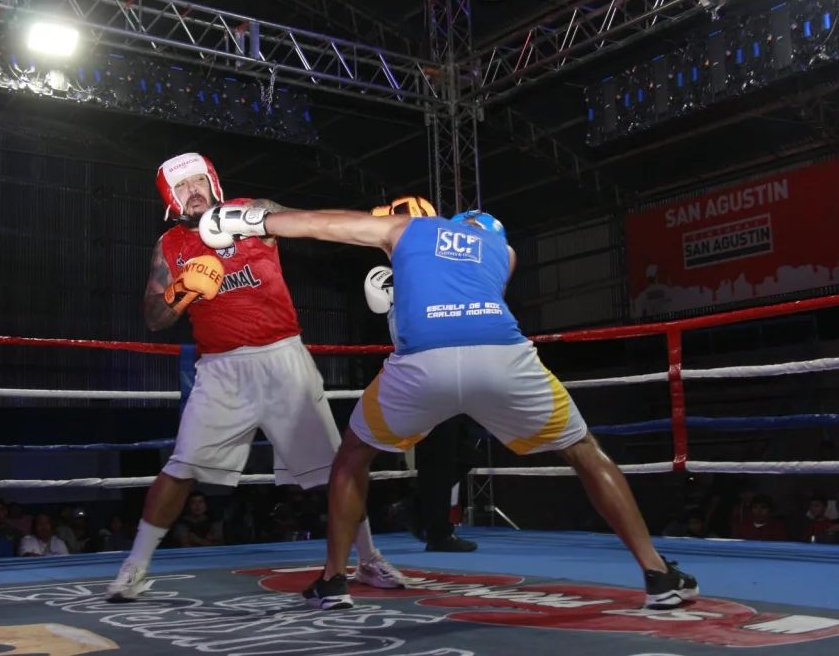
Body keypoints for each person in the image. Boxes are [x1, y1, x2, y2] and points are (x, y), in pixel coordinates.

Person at [198, 203, 700, 611]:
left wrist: (255, 220)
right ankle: (658, 574)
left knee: (352, 456)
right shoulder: (503, 252)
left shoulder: (407, 228)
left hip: (423, 364)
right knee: (584, 449)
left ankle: (333, 580)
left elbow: (319, 224)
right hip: (502, 358)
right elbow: (465, 294)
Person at [105, 153, 403, 601]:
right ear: (170, 197)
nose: (192, 191)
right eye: (181, 186)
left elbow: (309, 223)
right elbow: (153, 317)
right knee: (181, 467)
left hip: (283, 358)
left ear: (213, 182)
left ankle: (368, 558)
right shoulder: (170, 246)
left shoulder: (252, 211)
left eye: (198, 181)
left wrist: (379, 231)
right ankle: (135, 566)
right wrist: (181, 291)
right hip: (220, 371)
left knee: (335, 468)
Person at [368, 197, 478, 552]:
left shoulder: (440, 268)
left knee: (463, 451)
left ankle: (419, 512)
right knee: (439, 450)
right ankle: (437, 531)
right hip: (421, 371)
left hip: (452, 369)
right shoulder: (386, 276)